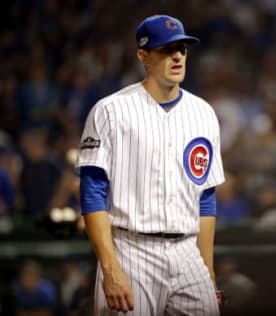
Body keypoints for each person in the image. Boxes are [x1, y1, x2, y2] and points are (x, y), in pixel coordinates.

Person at [75, 14, 225, 315]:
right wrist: (110, 269)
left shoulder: (204, 113)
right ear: (143, 56)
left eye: (182, 48)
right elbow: (92, 193)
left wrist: (207, 271)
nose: (177, 56)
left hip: (187, 252)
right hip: (132, 250)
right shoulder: (110, 111)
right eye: (166, 49)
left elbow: (205, 200)